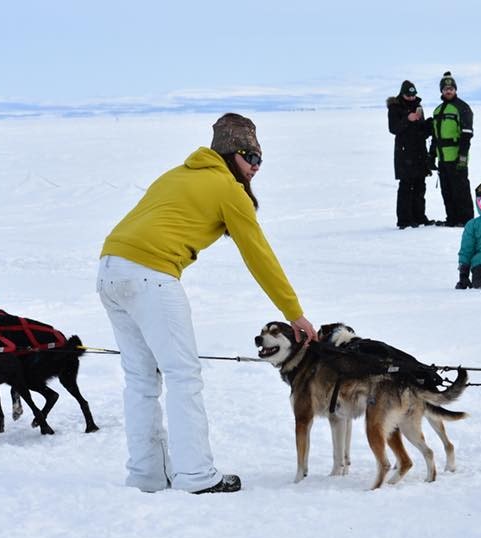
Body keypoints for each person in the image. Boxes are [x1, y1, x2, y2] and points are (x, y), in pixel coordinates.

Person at [96, 113, 317, 494]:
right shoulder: (227, 188)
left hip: (109, 271)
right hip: (152, 274)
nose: (256, 168)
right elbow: (259, 256)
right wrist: (293, 314)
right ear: (232, 155)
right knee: (183, 377)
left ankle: (147, 474)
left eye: (260, 160)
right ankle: (196, 476)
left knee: (141, 380)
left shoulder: (177, 174)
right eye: (251, 158)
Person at [429, 71, 474, 227]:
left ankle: (466, 220)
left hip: (456, 158)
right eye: (445, 89)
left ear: (455, 90)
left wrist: (462, 157)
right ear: (441, 91)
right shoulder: (437, 110)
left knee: (460, 190)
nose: (448, 91)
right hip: (443, 159)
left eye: (451, 88)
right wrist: (431, 156)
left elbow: (467, 135)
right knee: (446, 191)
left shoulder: (462, 108)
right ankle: (452, 219)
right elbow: (435, 137)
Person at [387, 80, 433, 229]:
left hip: (419, 151)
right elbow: (393, 128)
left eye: (413, 95)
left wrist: (429, 126)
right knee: (406, 186)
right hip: (404, 152)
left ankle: (419, 216)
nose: (412, 98)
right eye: (408, 95)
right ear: (402, 94)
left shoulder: (418, 106)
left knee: (420, 186)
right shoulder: (394, 108)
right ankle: (405, 220)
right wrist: (407, 118)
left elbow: (421, 131)